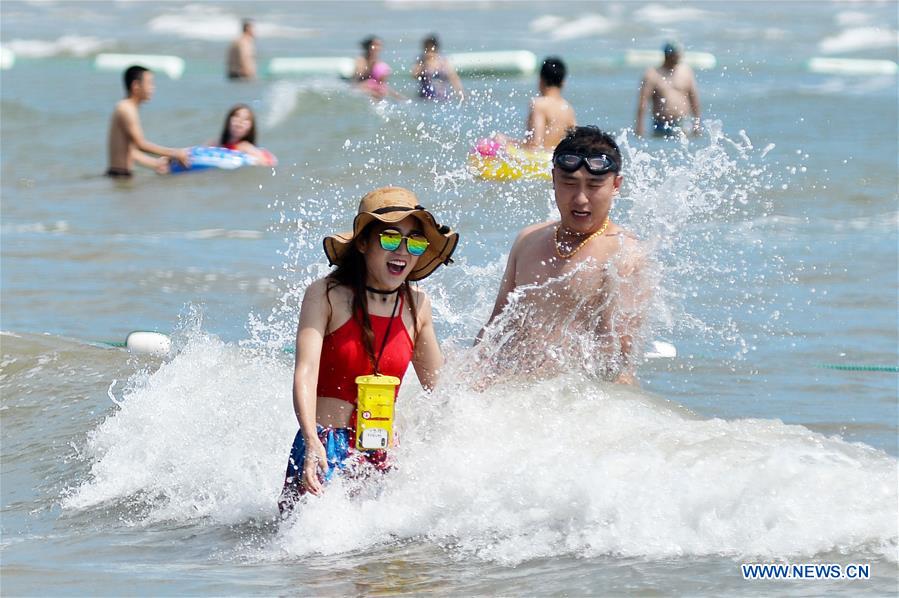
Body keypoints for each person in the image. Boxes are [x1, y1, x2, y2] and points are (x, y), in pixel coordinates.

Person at [277, 187, 459, 512]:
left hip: (383, 453)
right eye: (390, 238)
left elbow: (440, 389)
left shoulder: (418, 306)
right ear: (363, 243)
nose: (403, 250)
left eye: (415, 242)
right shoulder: (326, 295)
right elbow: (304, 372)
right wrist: (310, 439)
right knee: (313, 556)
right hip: (324, 446)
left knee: (385, 559)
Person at [478, 126, 651, 385]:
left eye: (594, 186)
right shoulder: (527, 240)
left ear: (616, 185)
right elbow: (495, 329)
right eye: (569, 184)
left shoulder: (624, 254)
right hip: (513, 395)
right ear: (553, 180)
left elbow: (618, 361)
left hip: (574, 404)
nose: (581, 199)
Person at [106, 65, 188, 178]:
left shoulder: (126, 107)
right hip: (119, 176)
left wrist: (156, 164)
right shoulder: (126, 109)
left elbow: (130, 151)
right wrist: (175, 153)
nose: (153, 88)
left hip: (120, 176)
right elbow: (141, 144)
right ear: (136, 86)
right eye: (149, 83)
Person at [495, 56, 576, 152]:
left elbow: (535, 143)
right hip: (555, 156)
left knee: (498, 138)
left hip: (540, 159)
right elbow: (575, 140)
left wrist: (508, 141)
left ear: (541, 79)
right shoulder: (568, 108)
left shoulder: (539, 104)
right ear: (563, 82)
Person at [635, 41, 701, 138]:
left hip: (683, 122)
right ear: (667, 55)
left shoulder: (686, 72)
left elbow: (694, 99)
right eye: (675, 55)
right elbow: (643, 102)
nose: (678, 57)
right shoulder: (652, 74)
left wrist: (697, 123)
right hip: (661, 124)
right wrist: (639, 126)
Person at [212, 104, 277, 166]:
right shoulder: (216, 143)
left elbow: (265, 162)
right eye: (236, 116)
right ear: (228, 120)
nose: (240, 121)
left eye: (246, 119)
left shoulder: (246, 148)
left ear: (250, 128)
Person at [411, 35, 464, 101]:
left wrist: (461, 93)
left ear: (436, 49)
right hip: (424, 97)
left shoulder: (443, 62)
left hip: (441, 97)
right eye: (427, 49)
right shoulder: (421, 61)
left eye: (431, 49)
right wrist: (424, 64)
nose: (429, 52)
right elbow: (414, 75)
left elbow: (454, 78)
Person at [353, 36, 403, 100]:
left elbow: (383, 84)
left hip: (378, 90)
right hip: (363, 88)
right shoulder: (361, 60)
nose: (377, 48)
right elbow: (358, 78)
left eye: (379, 45)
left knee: (399, 97)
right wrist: (370, 64)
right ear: (368, 47)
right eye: (374, 45)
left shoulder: (381, 64)